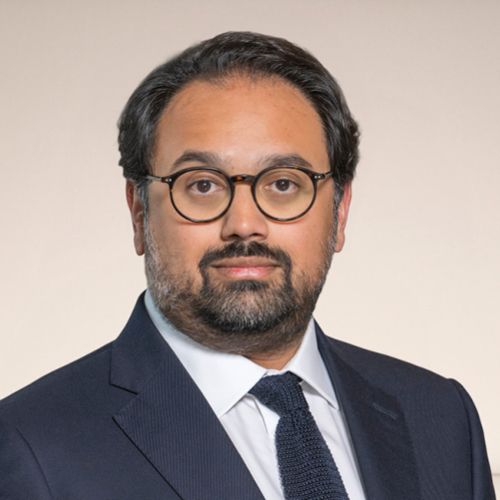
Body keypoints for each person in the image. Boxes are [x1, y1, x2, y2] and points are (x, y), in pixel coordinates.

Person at [0, 31, 494, 500]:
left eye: (283, 183)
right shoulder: (31, 447)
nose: (243, 224)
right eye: (202, 185)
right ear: (138, 213)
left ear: (340, 212)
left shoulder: (440, 417)